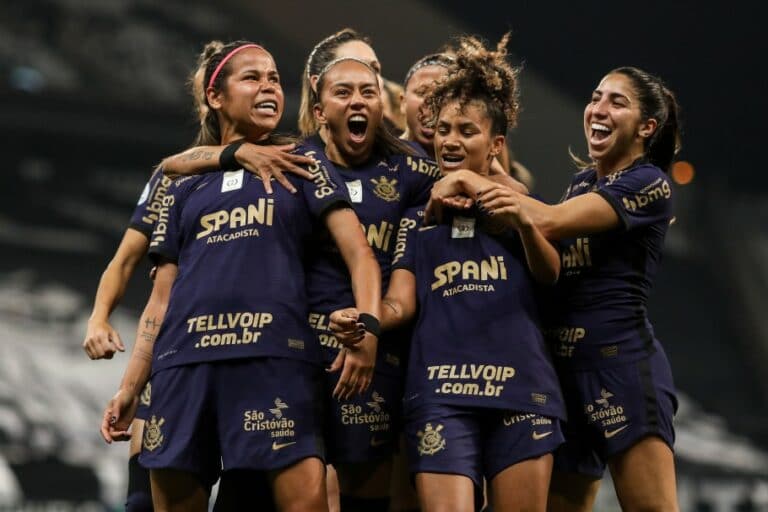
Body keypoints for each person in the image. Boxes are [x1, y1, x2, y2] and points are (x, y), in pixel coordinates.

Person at [100, 40, 382, 512]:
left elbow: (361, 255)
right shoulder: (187, 183)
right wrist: (131, 387)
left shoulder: (304, 163)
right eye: (253, 78)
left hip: (273, 362)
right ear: (216, 97)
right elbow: (161, 297)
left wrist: (369, 329)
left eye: (274, 78)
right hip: (184, 366)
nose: (269, 87)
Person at [331, 33, 566, 512]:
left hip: (521, 391)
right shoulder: (418, 212)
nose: (450, 140)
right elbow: (402, 300)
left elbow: (551, 275)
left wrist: (521, 219)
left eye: (466, 130)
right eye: (443, 130)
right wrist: (365, 319)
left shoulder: (525, 207)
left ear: (496, 143)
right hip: (441, 391)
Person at [431, 65, 682, 511]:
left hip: (619, 368)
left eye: (617, 102)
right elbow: (540, 227)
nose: (598, 110)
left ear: (647, 127)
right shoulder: (583, 182)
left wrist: (472, 179)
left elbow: (545, 221)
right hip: (563, 374)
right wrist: (496, 177)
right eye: (596, 96)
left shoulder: (650, 184)